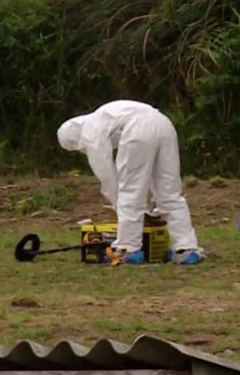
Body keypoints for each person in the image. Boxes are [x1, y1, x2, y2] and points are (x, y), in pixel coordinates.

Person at [57, 100, 204, 265]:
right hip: (163, 123)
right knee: (170, 192)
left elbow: (106, 175)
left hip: (137, 129)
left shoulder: (90, 131)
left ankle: (127, 249)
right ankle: (186, 248)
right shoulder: (104, 116)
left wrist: (118, 202)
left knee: (131, 192)